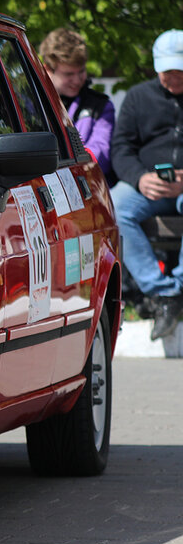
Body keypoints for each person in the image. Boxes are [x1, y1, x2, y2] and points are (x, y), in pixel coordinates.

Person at [110, 29, 183, 341]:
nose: (174, 77)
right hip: (148, 185)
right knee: (114, 207)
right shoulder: (138, 97)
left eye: (180, 70)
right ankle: (164, 293)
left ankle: (179, 285)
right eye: (168, 71)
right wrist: (141, 177)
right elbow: (121, 148)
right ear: (157, 67)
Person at [37, 27, 116, 185]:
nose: (77, 80)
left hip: (86, 184)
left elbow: (101, 154)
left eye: (81, 72)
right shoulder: (31, 104)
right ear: (47, 70)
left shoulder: (100, 105)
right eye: (68, 74)